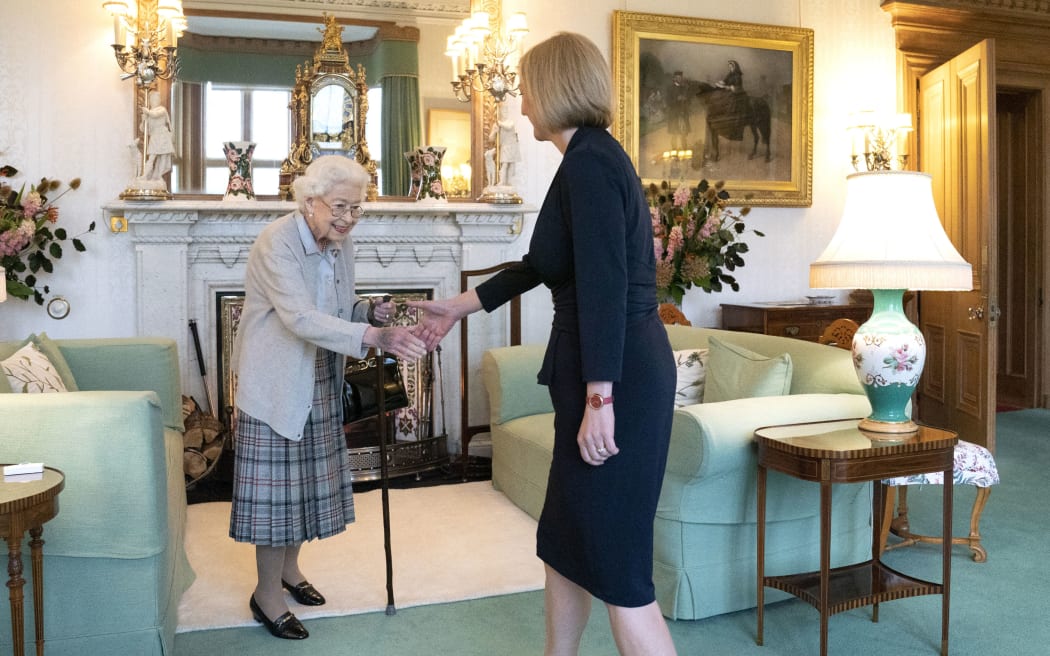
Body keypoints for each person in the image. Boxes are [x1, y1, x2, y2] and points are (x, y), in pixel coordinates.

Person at [409, 33, 678, 656]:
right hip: (600, 371)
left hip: (619, 380)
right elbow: (541, 264)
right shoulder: (584, 158)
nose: (522, 102)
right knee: (564, 539)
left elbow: (607, 289)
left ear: (556, 87)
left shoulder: (589, 164)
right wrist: (459, 306)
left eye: (528, 87)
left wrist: (600, 399)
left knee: (618, 566)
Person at [229, 155, 428, 640]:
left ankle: (289, 572)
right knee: (276, 497)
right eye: (340, 206)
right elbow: (298, 317)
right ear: (309, 201)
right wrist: (373, 338)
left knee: (304, 488)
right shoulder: (277, 242)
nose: (348, 218)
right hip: (276, 381)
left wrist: (370, 310)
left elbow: (339, 306)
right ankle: (266, 595)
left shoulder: (340, 244)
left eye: (357, 209)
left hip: (319, 374)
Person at [141, 89, 174, 181]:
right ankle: (145, 175)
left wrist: (147, 112)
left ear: (158, 101)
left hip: (163, 135)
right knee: (151, 157)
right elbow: (144, 130)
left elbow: (155, 115)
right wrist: (143, 120)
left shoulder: (161, 110)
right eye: (152, 100)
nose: (153, 102)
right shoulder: (149, 112)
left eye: (155, 99)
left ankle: (158, 176)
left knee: (163, 156)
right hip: (154, 136)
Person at [665, 70, 693, 150]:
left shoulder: (684, 88)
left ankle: (684, 149)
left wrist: (686, 99)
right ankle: (674, 151)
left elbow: (689, 101)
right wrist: (677, 99)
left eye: (681, 77)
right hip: (674, 115)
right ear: (674, 78)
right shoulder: (670, 88)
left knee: (683, 134)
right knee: (674, 134)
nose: (679, 79)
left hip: (683, 114)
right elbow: (668, 101)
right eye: (677, 77)